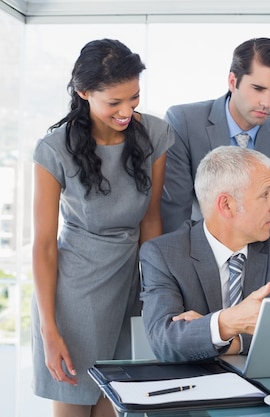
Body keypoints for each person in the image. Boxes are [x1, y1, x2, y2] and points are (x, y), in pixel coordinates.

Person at [31, 39, 174, 417]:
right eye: (114, 102)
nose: (127, 110)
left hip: (132, 289)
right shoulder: (53, 150)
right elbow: (44, 244)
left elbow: (151, 218)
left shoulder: (156, 135)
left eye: (134, 98)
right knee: (75, 407)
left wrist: (155, 295)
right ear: (84, 93)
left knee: (121, 408)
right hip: (75, 295)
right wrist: (49, 330)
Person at [140, 146, 270, 362]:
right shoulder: (163, 255)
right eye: (265, 194)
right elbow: (165, 342)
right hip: (195, 387)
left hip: (269, 387)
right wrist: (230, 321)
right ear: (226, 205)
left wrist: (228, 339)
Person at [161, 37, 270, 233]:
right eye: (258, 89)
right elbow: (175, 212)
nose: (266, 103)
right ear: (232, 81)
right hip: (197, 243)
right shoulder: (184, 122)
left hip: (260, 248)